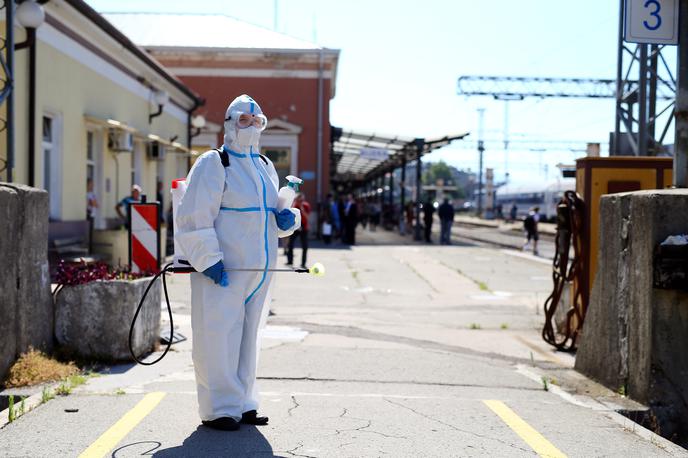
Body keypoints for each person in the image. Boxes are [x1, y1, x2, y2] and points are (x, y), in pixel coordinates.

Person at [175, 94, 299, 432]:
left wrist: (288, 220)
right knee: (218, 336)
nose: (251, 126)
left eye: (257, 121)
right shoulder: (214, 163)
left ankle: (243, 402)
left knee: (249, 338)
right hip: (223, 272)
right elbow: (194, 217)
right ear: (230, 124)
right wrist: (208, 259)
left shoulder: (264, 166)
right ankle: (219, 408)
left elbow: (268, 217)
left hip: (258, 273)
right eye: (243, 120)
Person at [287, 193, 311, 268]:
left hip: (304, 227)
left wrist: (301, 208)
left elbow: (307, 217)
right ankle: (290, 261)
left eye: (301, 200)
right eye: (298, 200)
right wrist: (294, 204)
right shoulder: (294, 205)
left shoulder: (306, 205)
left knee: (305, 246)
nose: (300, 201)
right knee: (290, 244)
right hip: (295, 226)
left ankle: (303, 263)